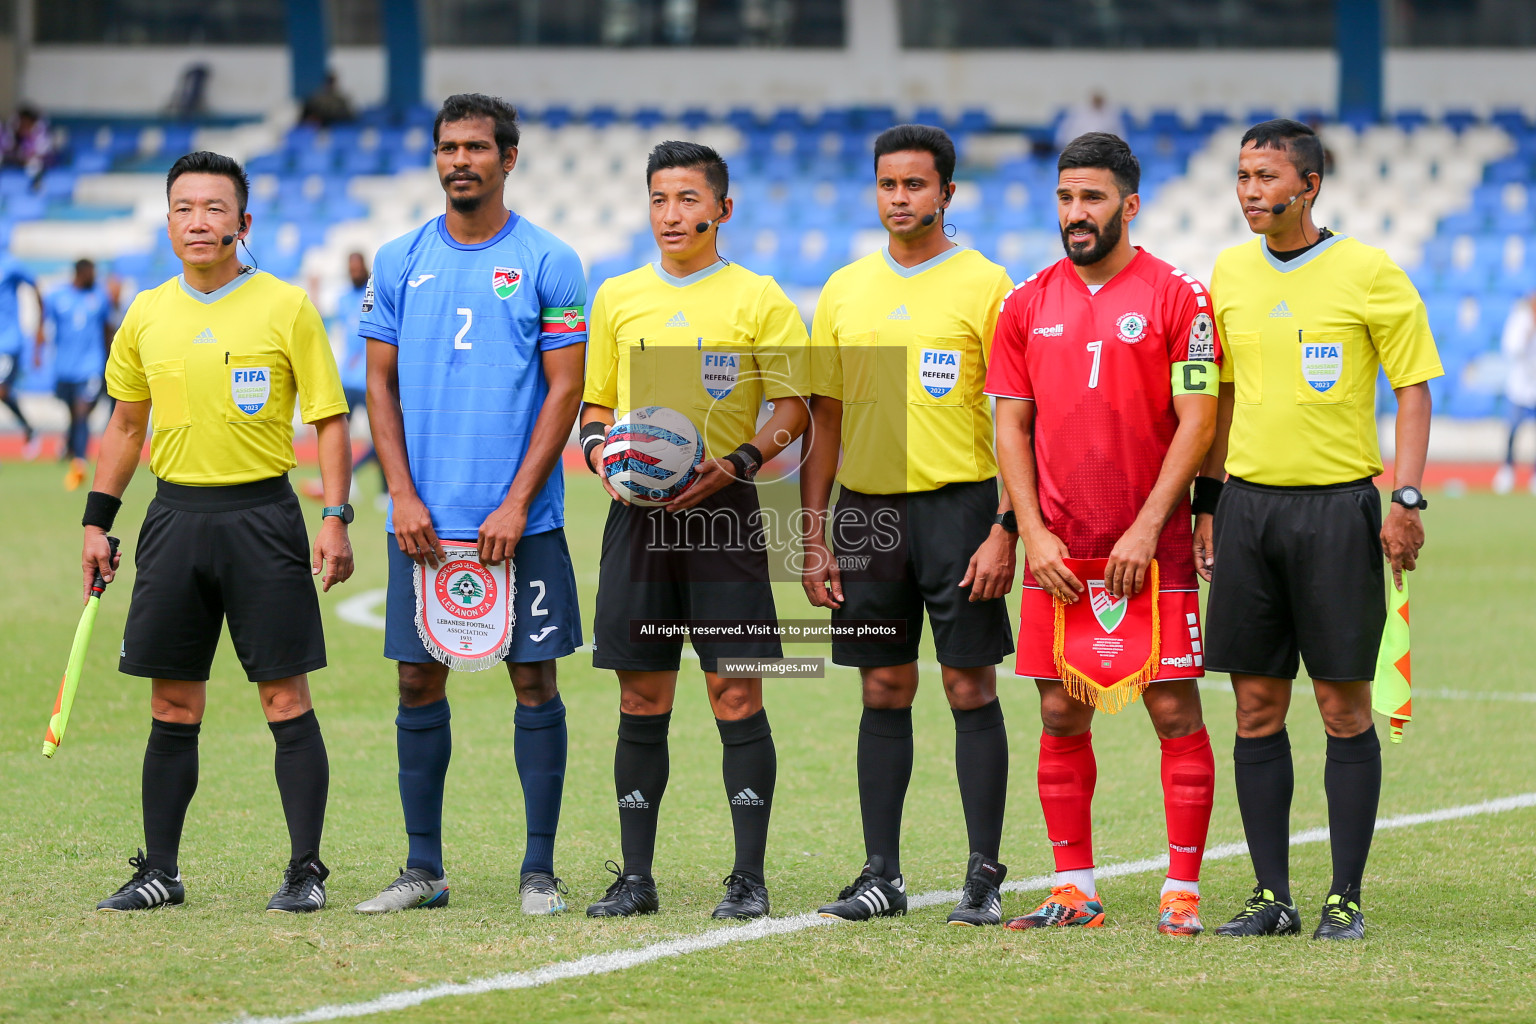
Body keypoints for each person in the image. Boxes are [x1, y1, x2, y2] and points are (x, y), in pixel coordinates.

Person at [82, 150, 355, 914]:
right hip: (174, 520)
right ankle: (159, 872)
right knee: (172, 705)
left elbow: (330, 421)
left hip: (263, 518)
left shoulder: (286, 306)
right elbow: (126, 426)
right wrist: (96, 523)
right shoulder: (146, 313)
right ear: (168, 220)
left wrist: (334, 515)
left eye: (213, 208)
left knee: (283, 699)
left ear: (242, 222)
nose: (198, 221)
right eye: (183, 208)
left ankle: (305, 871)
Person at [1194, 119, 1442, 940]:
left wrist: (1405, 498)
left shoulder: (1370, 272)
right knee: (1255, 705)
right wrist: (1207, 500)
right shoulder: (1226, 273)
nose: (1250, 191)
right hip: (1249, 509)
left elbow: (1413, 388)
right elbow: (1217, 394)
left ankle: (1344, 896)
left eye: (1265, 176)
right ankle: (1272, 896)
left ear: (1309, 185)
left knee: (1342, 706)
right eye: (1241, 177)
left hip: (1338, 510)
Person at [355, 94, 587, 917]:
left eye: (477, 148)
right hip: (422, 520)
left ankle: (538, 871)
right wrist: (403, 496)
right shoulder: (397, 259)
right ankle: (423, 869)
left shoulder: (549, 260)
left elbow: (567, 389)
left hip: (522, 520)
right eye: (448, 147)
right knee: (417, 681)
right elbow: (378, 386)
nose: (461, 160)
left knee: (533, 680)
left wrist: (518, 501)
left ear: (508, 158)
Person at [987, 132, 1219, 935]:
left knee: (1175, 712)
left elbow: (1199, 419)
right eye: (1064, 198)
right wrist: (1032, 533)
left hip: (1154, 551)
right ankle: (1073, 887)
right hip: (1060, 548)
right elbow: (1011, 429)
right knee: (1059, 713)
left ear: (1130, 203)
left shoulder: (1180, 296)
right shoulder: (1026, 302)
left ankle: (1181, 891)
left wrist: (1151, 527)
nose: (1076, 214)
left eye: (1091, 198)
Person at [579, 140, 810, 920]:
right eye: (658, 200)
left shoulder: (760, 298)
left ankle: (749, 879)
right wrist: (599, 454)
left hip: (725, 520)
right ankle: (635, 878)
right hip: (635, 521)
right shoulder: (616, 297)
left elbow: (793, 409)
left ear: (722, 209)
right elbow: (597, 408)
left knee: (735, 690)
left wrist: (739, 461)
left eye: (686, 199)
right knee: (642, 697)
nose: (671, 215)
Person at [802, 124, 1017, 926]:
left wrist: (1006, 526)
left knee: (968, 686)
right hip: (865, 513)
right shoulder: (845, 288)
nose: (901, 198)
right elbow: (825, 416)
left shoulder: (987, 285)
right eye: (889, 185)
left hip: (959, 508)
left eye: (916, 185)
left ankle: (982, 876)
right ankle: (881, 876)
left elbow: (1015, 419)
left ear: (947, 194)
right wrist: (815, 531)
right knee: (883, 687)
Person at [303, 252, 377, 503]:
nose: (355, 271)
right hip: (347, 378)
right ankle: (334, 481)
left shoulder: (374, 295)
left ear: (365, 268)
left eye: (358, 267)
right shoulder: (344, 299)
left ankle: (384, 489)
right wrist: (314, 288)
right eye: (351, 268)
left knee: (382, 435)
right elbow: (318, 322)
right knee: (335, 434)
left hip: (371, 379)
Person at [40, 259, 114, 489]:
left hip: (91, 366)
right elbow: (44, 323)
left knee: (82, 410)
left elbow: (107, 329)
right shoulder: (57, 296)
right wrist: (38, 345)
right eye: (90, 272)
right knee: (73, 412)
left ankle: (79, 462)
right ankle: (70, 446)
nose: (94, 276)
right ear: (80, 273)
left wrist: (113, 359)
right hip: (65, 367)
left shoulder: (100, 297)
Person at [1493, 291, 1536, 495]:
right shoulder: (1520, 319)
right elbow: (1511, 349)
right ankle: (1508, 470)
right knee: (1513, 429)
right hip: (1520, 385)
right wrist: (1528, 333)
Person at [0, 251, 42, 456]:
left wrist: (40, 324)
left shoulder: (9, 264)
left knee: (1, 389)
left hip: (7, 342)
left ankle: (30, 428)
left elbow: (34, 283)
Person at [1, 104, 53, 182]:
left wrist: (26, 158)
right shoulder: (15, 134)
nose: (21, 125)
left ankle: (37, 185)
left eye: (24, 122)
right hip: (16, 164)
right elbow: (8, 150)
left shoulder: (40, 133)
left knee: (34, 164)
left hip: (40, 167)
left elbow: (42, 154)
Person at [1054, 93, 1122, 153]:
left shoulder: (1111, 117)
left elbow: (1120, 136)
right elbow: (1064, 134)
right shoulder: (1078, 114)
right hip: (1078, 148)